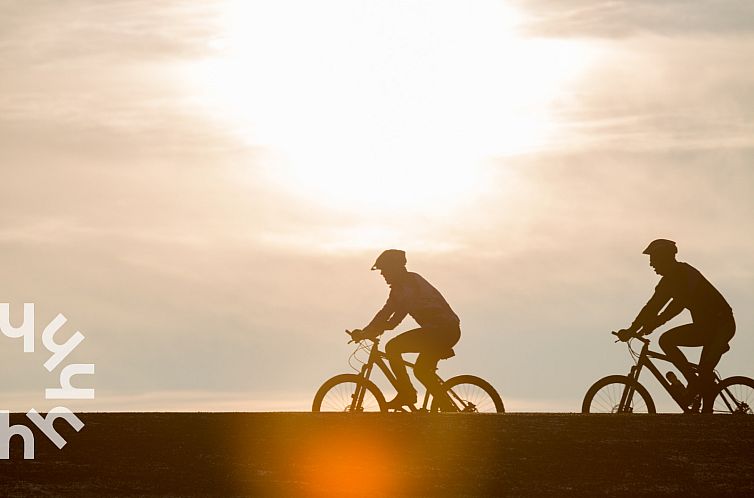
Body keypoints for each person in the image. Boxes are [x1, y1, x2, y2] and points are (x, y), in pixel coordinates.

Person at [617, 239, 735, 413]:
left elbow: (677, 306)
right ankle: (698, 395)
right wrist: (632, 329)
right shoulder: (668, 281)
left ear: (664, 258)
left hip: (721, 326)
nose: (651, 264)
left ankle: (694, 385)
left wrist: (654, 324)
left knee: (667, 341)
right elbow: (652, 307)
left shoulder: (684, 274)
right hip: (708, 327)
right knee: (703, 376)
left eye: (653, 259)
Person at [350, 249, 461, 410]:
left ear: (394, 268)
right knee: (422, 371)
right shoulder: (399, 288)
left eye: (384, 270)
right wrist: (367, 330)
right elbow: (386, 311)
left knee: (393, 348)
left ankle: (407, 393)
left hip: (442, 331)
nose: (382, 274)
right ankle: (447, 410)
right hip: (440, 331)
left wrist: (376, 329)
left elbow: (398, 314)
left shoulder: (410, 284)